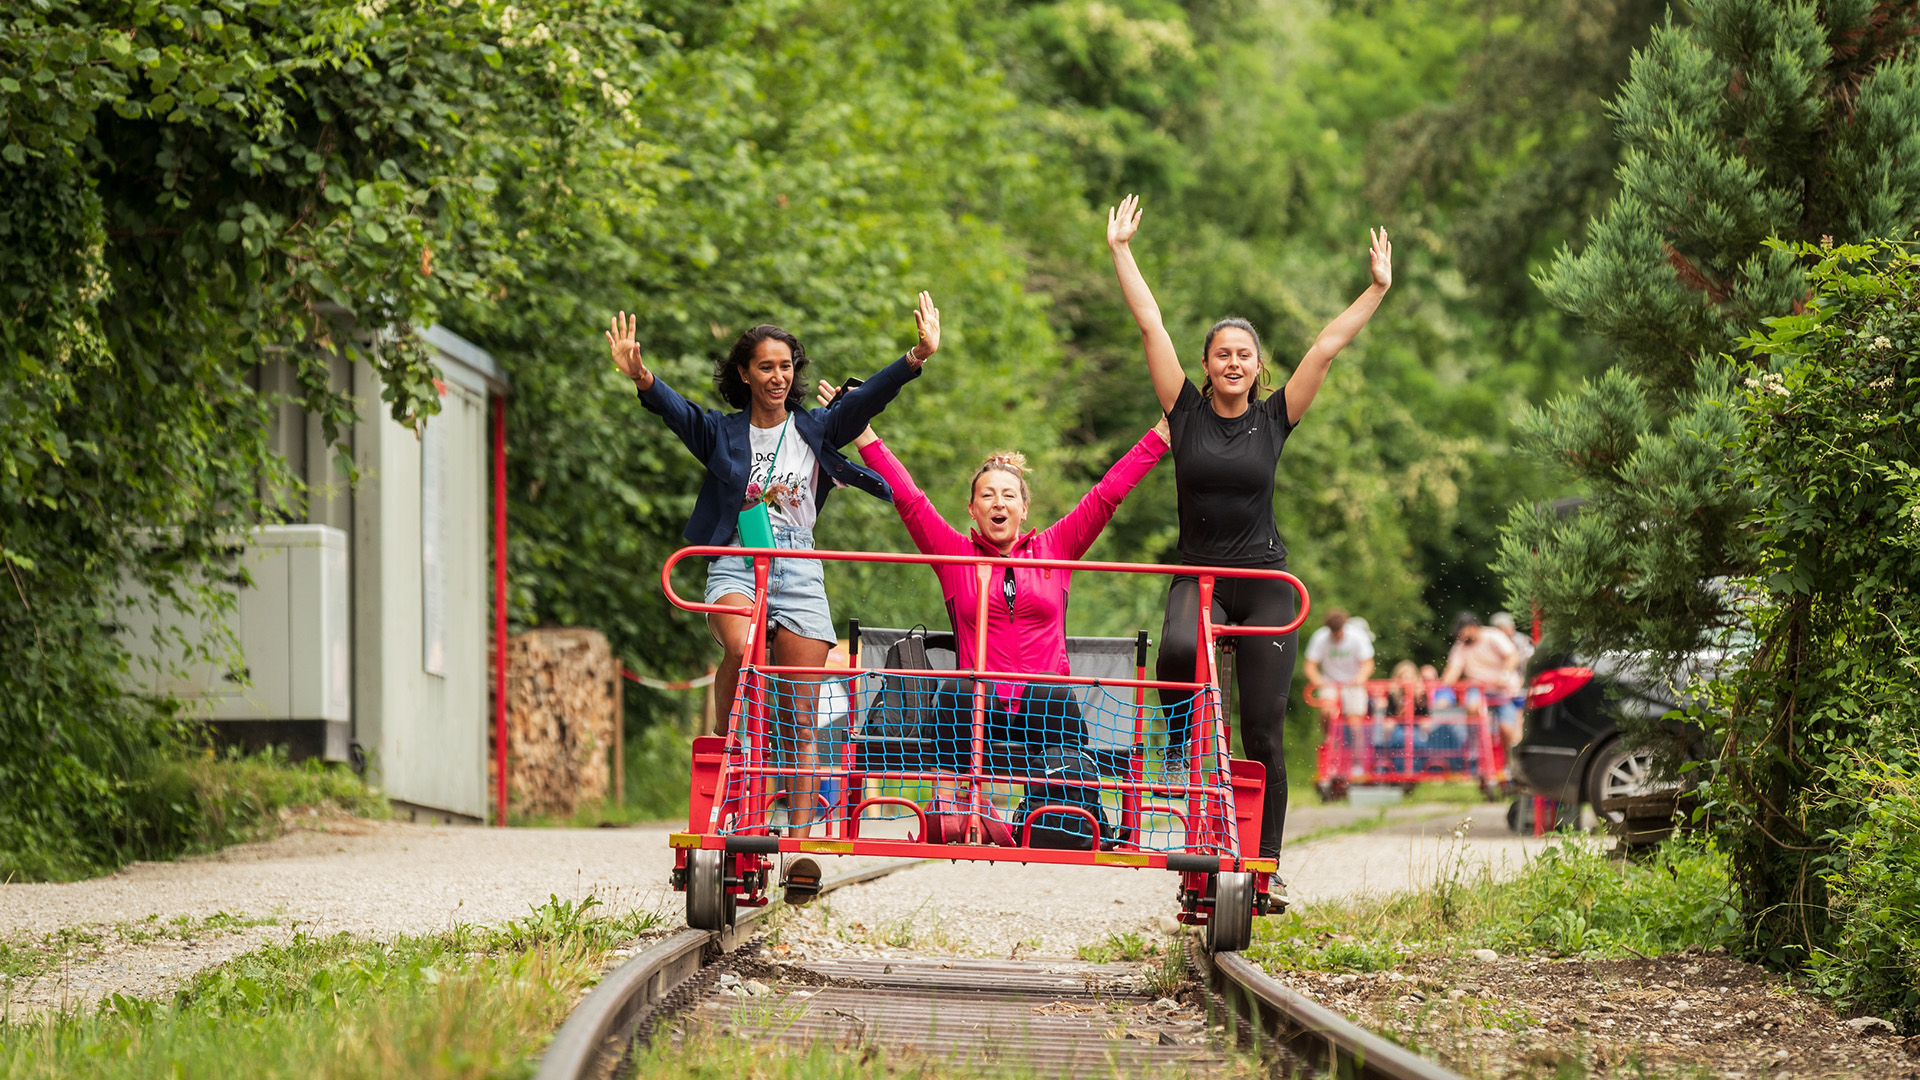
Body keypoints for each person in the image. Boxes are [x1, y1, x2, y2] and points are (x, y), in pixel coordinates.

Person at [1105, 193, 1391, 862]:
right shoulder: (1183, 411)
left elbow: (1326, 345)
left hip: (1263, 580)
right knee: (1175, 650)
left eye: (1244, 354)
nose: (1233, 362)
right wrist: (1122, 251)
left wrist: (1376, 288)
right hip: (1199, 575)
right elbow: (1150, 326)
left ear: (1258, 367)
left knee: (1262, 732)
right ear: (1205, 366)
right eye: (1221, 353)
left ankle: (1267, 860)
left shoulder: (1276, 417)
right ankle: (1178, 750)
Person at [607, 295, 941, 845]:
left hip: (799, 564)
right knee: (740, 647)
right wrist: (642, 376)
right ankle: (726, 749)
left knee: (801, 716)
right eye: (766, 366)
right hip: (738, 556)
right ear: (745, 373)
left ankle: (802, 838)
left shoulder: (817, 429)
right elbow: (678, 412)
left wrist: (915, 357)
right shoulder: (723, 433)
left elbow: (868, 402)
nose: (778, 377)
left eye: (786, 366)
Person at [817, 380, 1170, 757]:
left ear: (1023, 509)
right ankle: (965, 810)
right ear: (973, 509)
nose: (997, 502)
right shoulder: (954, 553)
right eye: (987, 495)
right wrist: (862, 429)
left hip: (1044, 710)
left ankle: (1059, 808)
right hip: (977, 712)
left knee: (1048, 690)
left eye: (1008, 495)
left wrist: (1163, 433)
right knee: (960, 689)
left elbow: (1106, 495)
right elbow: (910, 500)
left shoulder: (1056, 547)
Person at [1440, 611, 1521, 768]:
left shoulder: (1493, 636)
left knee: (1507, 729)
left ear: (1471, 627)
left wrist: (1504, 676)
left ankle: (1509, 763)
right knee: (1472, 707)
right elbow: (1453, 669)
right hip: (1479, 688)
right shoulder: (1461, 646)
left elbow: (1512, 656)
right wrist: (1444, 685)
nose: (1459, 636)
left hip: (1502, 689)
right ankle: (1474, 746)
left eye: (1461, 631)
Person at [1303, 609, 1376, 719]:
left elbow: (1368, 663)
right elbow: (1310, 666)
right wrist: (1318, 680)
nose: (1337, 635)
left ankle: (1355, 736)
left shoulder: (1357, 636)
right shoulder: (1320, 637)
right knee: (1327, 712)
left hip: (1353, 682)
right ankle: (1329, 736)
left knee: (1355, 717)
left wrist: (1360, 677)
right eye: (1333, 632)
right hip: (1329, 682)